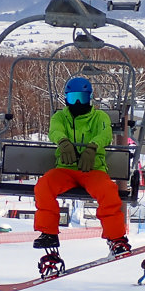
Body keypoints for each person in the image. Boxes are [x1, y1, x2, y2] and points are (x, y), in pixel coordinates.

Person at [33, 76, 130, 256]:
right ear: (66, 98)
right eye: (73, 98)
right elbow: (55, 130)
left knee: (108, 191)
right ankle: (48, 233)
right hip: (66, 168)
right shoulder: (60, 117)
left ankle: (116, 238)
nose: (77, 103)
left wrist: (93, 147)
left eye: (82, 98)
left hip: (92, 169)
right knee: (44, 186)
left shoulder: (99, 116)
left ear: (89, 98)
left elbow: (105, 133)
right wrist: (62, 142)